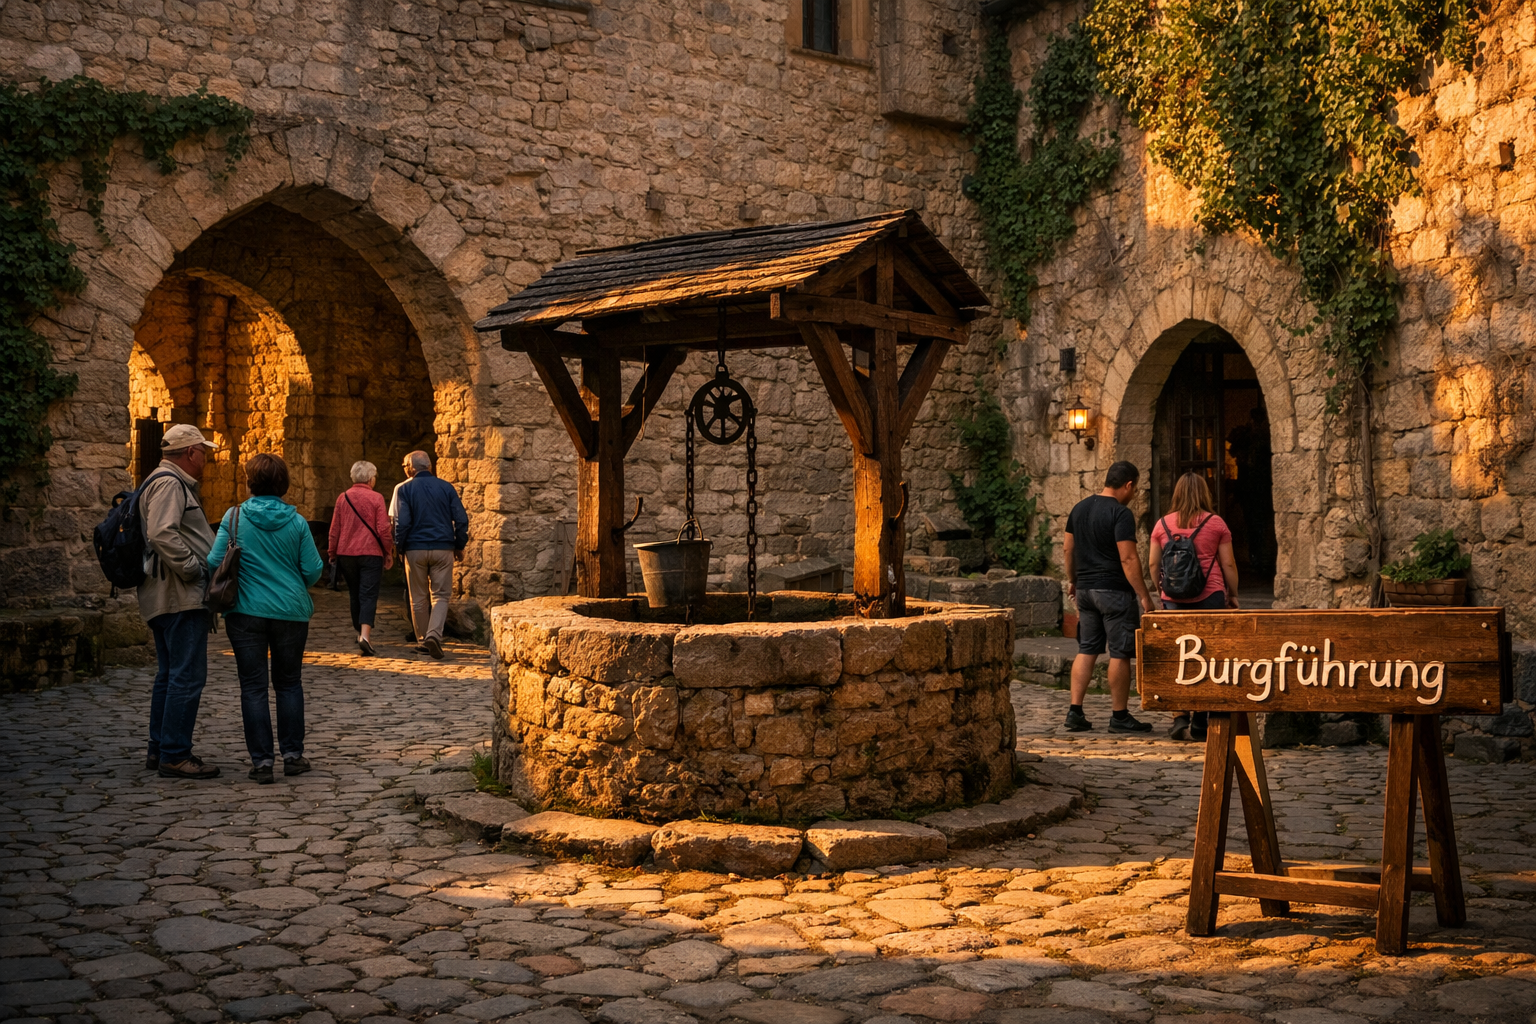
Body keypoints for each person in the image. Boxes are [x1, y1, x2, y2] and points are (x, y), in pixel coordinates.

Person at [207, 453, 324, 785]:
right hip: (290, 612)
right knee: (289, 683)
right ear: (283, 483)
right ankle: (293, 755)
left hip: (244, 611)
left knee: (253, 687)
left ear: (250, 483)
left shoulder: (234, 517)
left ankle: (261, 762)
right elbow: (314, 569)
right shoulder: (297, 522)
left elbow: (215, 559)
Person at [138, 424, 222, 780]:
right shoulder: (171, 484)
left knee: (170, 675)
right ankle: (174, 753)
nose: (206, 459)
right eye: (203, 452)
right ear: (190, 453)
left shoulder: (162, 480)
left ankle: (161, 748)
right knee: (186, 676)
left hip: (168, 594)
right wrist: (192, 569)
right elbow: (161, 532)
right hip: (179, 595)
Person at [1063, 460, 1158, 734]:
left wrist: (1073, 580)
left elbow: (1068, 549)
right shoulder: (1120, 514)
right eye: (1135, 488)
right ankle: (1119, 715)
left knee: (1087, 649)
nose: (1135, 493)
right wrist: (1144, 595)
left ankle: (1075, 711)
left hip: (1085, 590)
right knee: (1120, 652)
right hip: (1114, 592)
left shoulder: (1079, 508)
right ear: (1128, 485)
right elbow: (1128, 558)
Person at [1150, 471, 1241, 742]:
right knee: (1208, 655)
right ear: (1205, 493)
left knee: (1179, 656)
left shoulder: (1162, 524)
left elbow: (1154, 564)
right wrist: (1232, 594)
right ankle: (1202, 718)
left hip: (1173, 599)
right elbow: (1228, 564)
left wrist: (1160, 587)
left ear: (1176, 493)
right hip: (1210, 596)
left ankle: (1180, 716)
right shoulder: (1216, 524)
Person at [393, 450, 468, 660]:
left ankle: (423, 640)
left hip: (415, 548)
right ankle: (434, 635)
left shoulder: (405, 489)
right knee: (441, 596)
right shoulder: (446, 487)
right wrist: (459, 544)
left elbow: (403, 523)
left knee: (417, 597)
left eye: (404, 465)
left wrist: (400, 547)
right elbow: (461, 519)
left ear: (411, 468)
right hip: (443, 547)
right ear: (430, 466)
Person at [329, 460, 394, 656]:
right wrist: (388, 551)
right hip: (370, 553)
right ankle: (365, 637)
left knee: (354, 593)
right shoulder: (376, 498)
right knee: (368, 594)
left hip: (346, 553)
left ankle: (360, 633)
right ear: (371, 479)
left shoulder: (343, 498)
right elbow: (383, 529)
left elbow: (335, 529)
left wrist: (332, 553)